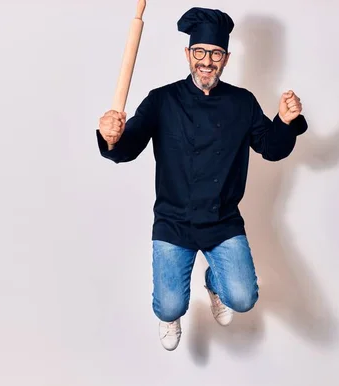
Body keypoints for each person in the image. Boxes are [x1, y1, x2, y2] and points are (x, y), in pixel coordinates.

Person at [96, 7, 308, 351]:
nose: (206, 61)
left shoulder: (242, 102)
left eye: (215, 53)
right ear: (187, 54)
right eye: (199, 52)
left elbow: (271, 148)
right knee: (169, 306)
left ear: (225, 59)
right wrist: (110, 136)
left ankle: (215, 283)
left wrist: (283, 121)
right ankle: (171, 314)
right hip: (173, 221)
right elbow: (126, 147)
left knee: (242, 298)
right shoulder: (162, 100)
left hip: (222, 221)